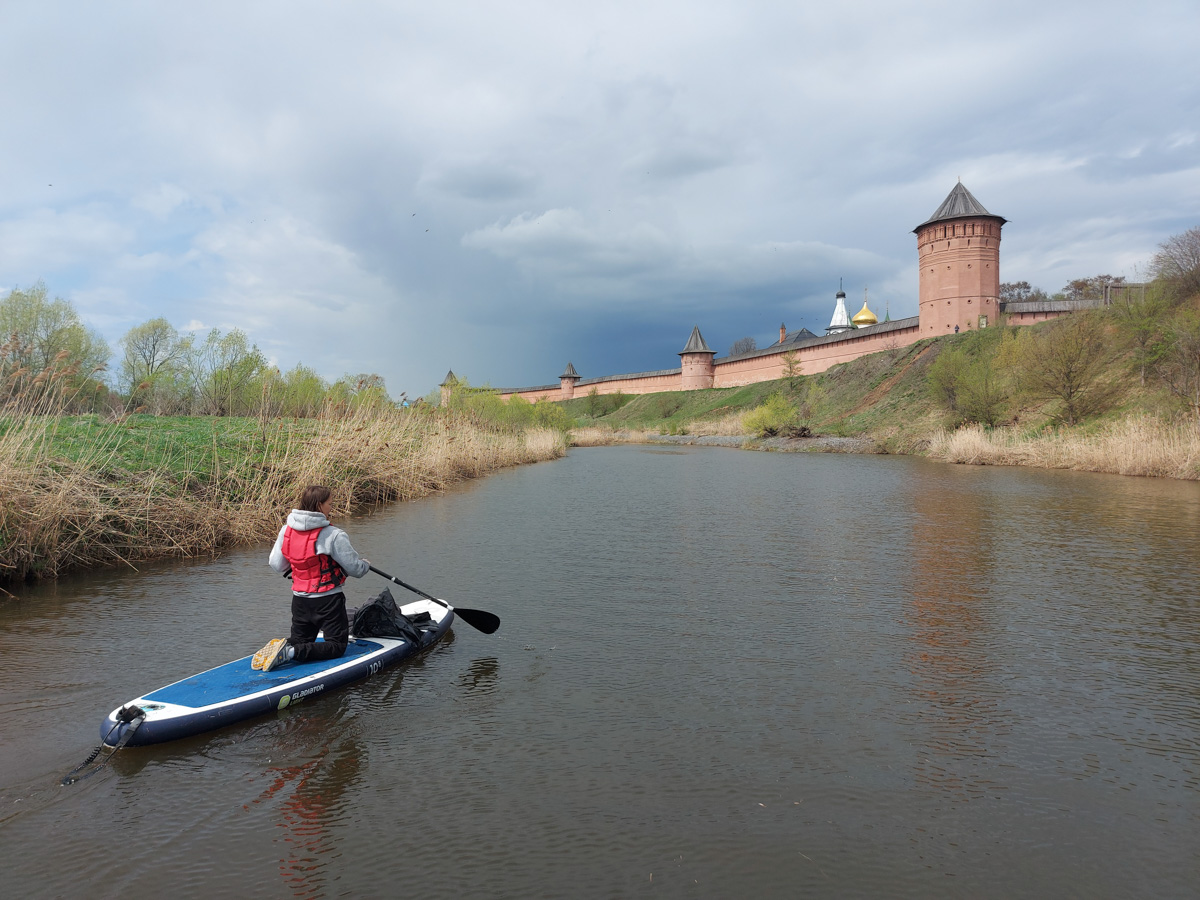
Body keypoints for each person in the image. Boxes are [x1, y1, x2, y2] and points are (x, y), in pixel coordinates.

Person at [253, 485, 370, 672]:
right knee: (337, 646)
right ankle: (290, 653)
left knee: (302, 640)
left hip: (299, 601)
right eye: (329, 504)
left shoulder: (286, 531)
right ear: (319, 505)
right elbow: (355, 569)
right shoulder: (334, 535)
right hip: (328, 601)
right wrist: (365, 564)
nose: (331, 508)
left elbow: (276, 564)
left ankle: (286, 648)